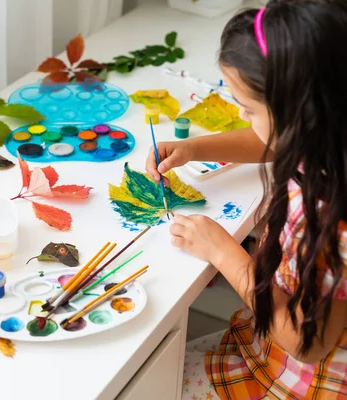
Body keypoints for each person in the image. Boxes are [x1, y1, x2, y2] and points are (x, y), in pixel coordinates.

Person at [145, 1, 347, 399]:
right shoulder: (330, 134)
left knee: (149, 382)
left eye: (248, 108)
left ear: (298, 113)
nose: (241, 114)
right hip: (264, 343)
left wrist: (224, 252)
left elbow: (308, 344)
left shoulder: (329, 217)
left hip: (297, 382)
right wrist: (193, 148)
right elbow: (269, 139)